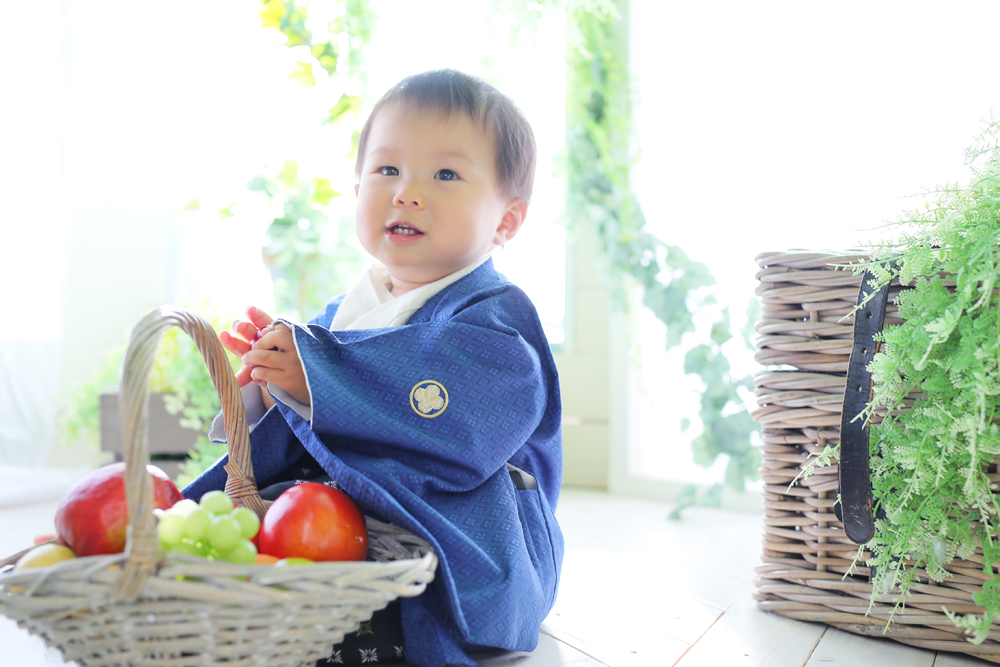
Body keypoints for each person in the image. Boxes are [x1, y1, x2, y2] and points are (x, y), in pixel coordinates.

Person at [182, 69, 563, 667]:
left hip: (457, 535)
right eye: (387, 170)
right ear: (357, 187)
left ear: (506, 221)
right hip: (344, 519)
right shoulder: (346, 311)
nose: (406, 193)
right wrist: (272, 382)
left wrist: (322, 377)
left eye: (445, 174)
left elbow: (471, 417)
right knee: (247, 530)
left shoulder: (496, 321)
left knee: (372, 600)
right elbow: (312, 410)